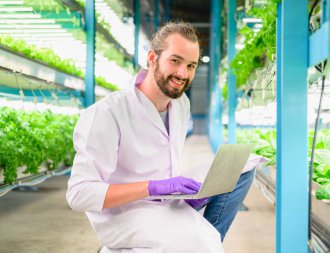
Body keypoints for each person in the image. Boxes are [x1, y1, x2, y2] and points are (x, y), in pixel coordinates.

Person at [66, 21, 255, 253]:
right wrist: (155, 187)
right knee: (205, 245)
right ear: (152, 58)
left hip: (167, 201)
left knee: (244, 167)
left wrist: (184, 192)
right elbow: (78, 194)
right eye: (175, 61)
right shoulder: (106, 113)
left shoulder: (181, 104)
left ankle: (193, 235)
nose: (182, 74)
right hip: (127, 213)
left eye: (191, 65)